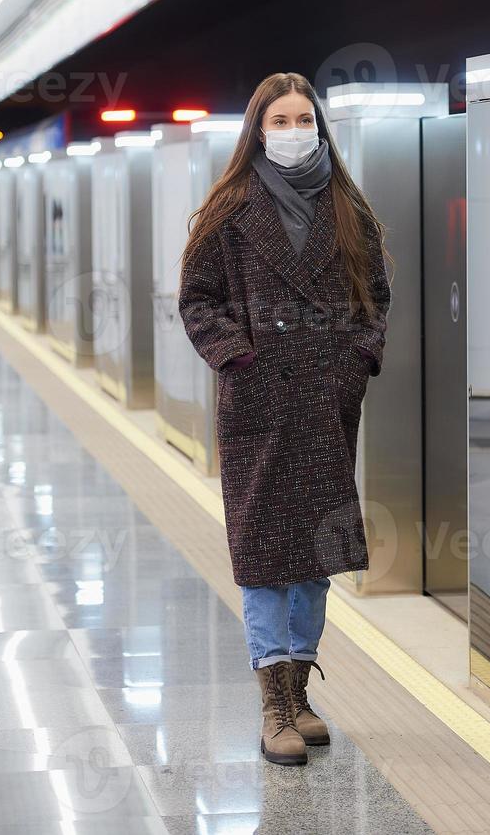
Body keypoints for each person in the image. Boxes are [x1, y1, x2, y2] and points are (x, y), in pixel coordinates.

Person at [178, 72, 391, 765]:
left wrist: (357, 361)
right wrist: (238, 359)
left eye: (305, 120)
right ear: (258, 130)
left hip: (325, 404)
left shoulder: (348, 209)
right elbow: (197, 300)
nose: (295, 132)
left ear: (320, 129)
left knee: (316, 557)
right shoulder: (229, 210)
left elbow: (376, 298)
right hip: (260, 404)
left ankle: (300, 692)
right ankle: (273, 702)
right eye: (282, 121)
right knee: (266, 558)